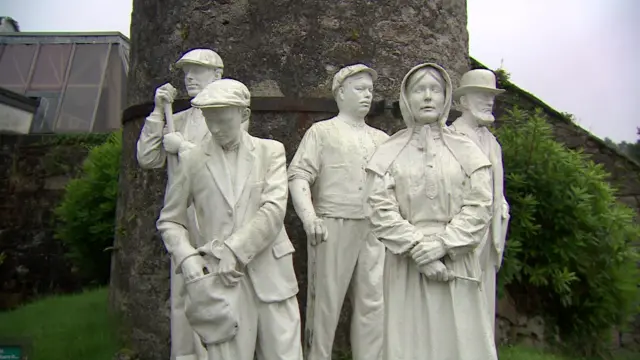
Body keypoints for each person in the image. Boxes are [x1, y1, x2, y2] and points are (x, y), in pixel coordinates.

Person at [156, 78, 303, 360]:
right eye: (209, 121)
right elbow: (170, 220)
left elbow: (273, 210)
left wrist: (233, 250)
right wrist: (186, 257)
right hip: (221, 284)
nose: (214, 129)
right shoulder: (192, 160)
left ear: (244, 115)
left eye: (222, 121)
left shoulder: (270, 151)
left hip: (271, 273)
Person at [364, 63, 498, 360]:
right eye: (418, 90)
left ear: (446, 98)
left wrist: (443, 244)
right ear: (406, 99)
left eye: (434, 90)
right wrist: (416, 248)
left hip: (456, 259)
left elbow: (479, 206)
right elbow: (379, 207)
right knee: (409, 341)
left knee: (459, 339)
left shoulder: (466, 151)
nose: (427, 97)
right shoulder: (388, 151)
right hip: (406, 264)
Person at [288, 64, 388, 360]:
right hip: (332, 224)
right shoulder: (322, 132)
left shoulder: (382, 139)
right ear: (340, 93)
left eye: (370, 90)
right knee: (324, 305)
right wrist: (309, 217)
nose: (367, 95)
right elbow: (299, 176)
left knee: (373, 302)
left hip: (373, 227)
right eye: (359, 88)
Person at [136, 48, 224, 360]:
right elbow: (147, 159)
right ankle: (184, 355)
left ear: (217, 75)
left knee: (213, 285)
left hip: (214, 212)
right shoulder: (179, 118)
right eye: (187, 71)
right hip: (181, 214)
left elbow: (225, 163)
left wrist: (183, 147)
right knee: (182, 289)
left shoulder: (229, 115)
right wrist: (159, 112)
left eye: (198, 70)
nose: (189, 77)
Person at [450, 69, 511, 334]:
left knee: (485, 295)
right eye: (482, 95)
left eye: (492, 96)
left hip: (491, 230)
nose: (489, 102)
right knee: (460, 293)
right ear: (464, 101)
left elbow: (497, 186)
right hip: (463, 228)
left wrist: (502, 207)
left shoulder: (493, 143)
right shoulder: (452, 137)